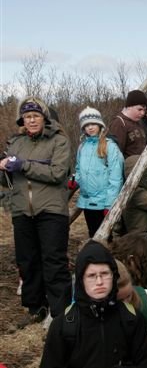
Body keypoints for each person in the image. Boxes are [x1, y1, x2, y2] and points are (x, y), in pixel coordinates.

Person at [0, 97, 72, 328]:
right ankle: (35, 308)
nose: (31, 120)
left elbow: (57, 173)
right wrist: (3, 168)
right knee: (27, 261)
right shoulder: (16, 143)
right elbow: (7, 180)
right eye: (27, 117)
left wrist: (23, 165)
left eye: (35, 116)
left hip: (51, 210)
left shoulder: (59, 141)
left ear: (44, 118)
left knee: (53, 261)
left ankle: (61, 313)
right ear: (22, 120)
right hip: (22, 210)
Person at [40, 240, 147, 368]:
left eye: (105, 274)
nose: (99, 282)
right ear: (81, 280)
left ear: (113, 276)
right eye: (91, 276)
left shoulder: (131, 318)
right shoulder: (64, 325)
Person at [74, 106, 125, 237]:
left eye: (93, 124)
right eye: (86, 125)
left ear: (100, 125)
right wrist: (75, 180)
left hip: (103, 202)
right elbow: (79, 168)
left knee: (105, 236)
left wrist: (110, 204)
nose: (90, 127)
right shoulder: (82, 147)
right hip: (87, 201)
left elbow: (116, 177)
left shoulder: (110, 146)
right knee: (92, 234)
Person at [109, 89, 147, 158]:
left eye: (144, 110)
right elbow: (115, 152)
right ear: (129, 107)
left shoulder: (138, 123)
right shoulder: (119, 123)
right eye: (139, 109)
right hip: (127, 163)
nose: (143, 113)